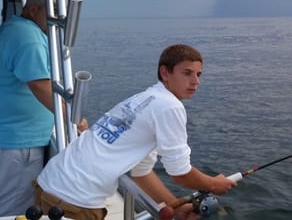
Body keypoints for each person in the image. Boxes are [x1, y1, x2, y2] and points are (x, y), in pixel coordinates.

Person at [36, 44, 237, 220]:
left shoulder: (144, 99)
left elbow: (140, 172)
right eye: (187, 73)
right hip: (74, 202)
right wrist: (213, 184)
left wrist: (174, 206)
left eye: (198, 75)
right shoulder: (170, 107)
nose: (195, 81)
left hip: (48, 184)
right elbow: (179, 173)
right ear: (165, 73)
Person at [0, 0, 62, 216]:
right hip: (18, 143)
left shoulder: (16, 30)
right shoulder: (26, 36)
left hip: (14, 138)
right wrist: (71, 118)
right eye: (53, 13)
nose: (56, 20)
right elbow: (39, 84)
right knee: (12, 208)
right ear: (34, 10)